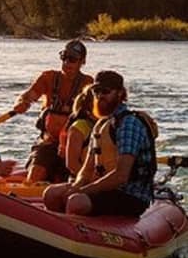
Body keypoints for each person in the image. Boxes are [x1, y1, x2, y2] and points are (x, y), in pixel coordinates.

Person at [43, 70, 158, 217]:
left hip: (130, 195)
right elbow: (86, 170)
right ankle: (55, 235)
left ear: (120, 94)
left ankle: (80, 234)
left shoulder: (129, 124)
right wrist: (77, 186)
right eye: (96, 91)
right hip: (104, 189)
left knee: (77, 202)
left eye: (105, 91)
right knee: (51, 194)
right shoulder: (100, 125)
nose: (100, 96)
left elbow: (121, 175)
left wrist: (84, 191)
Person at [13, 39, 93, 183]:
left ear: (82, 62)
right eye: (64, 57)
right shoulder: (48, 77)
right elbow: (29, 95)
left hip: (74, 146)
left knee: (69, 177)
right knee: (36, 174)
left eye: (73, 59)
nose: (67, 63)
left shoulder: (88, 83)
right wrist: (22, 102)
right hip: (48, 142)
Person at [57, 84, 97, 178]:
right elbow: (72, 164)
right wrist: (93, 182)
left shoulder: (110, 123)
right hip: (82, 180)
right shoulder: (80, 127)